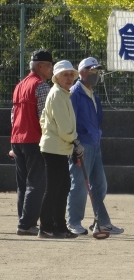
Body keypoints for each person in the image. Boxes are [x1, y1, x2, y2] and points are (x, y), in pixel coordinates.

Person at [67, 57, 124, 235]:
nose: (96, 74)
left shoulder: (93, 95)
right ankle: (73, 222)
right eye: (92, 71)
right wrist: (76, 145)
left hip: (94, 142)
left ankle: (102, 222)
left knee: (100, 184)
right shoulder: (75, 93)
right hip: (82, 144)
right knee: (79, 185)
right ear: (81, 72)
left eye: (97, 71)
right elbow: (71, 121)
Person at [38, 60, 84, 239]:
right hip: (54, 148)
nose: (70, 77)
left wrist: (71, 142)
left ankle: (59, 226)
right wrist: (75, 142)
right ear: (56, 77)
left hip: (59, 147)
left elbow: (44, 118)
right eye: (65, 74)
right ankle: (47, 227)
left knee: (63, 186)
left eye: (72, 74)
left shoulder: (63, 94)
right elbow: (65, 128)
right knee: (54, 188)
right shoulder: (57, 94)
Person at [10, 50, 53, 236]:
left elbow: (13, 116)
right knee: (36, 183)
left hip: (17, 139)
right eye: (50, 66)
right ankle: (27, 224)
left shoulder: (20, 86)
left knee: (23, 184)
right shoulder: (41, 87)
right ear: (40, 66)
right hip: (34, 139)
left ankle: (24, 221)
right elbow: (44, 117)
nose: (51, 70)